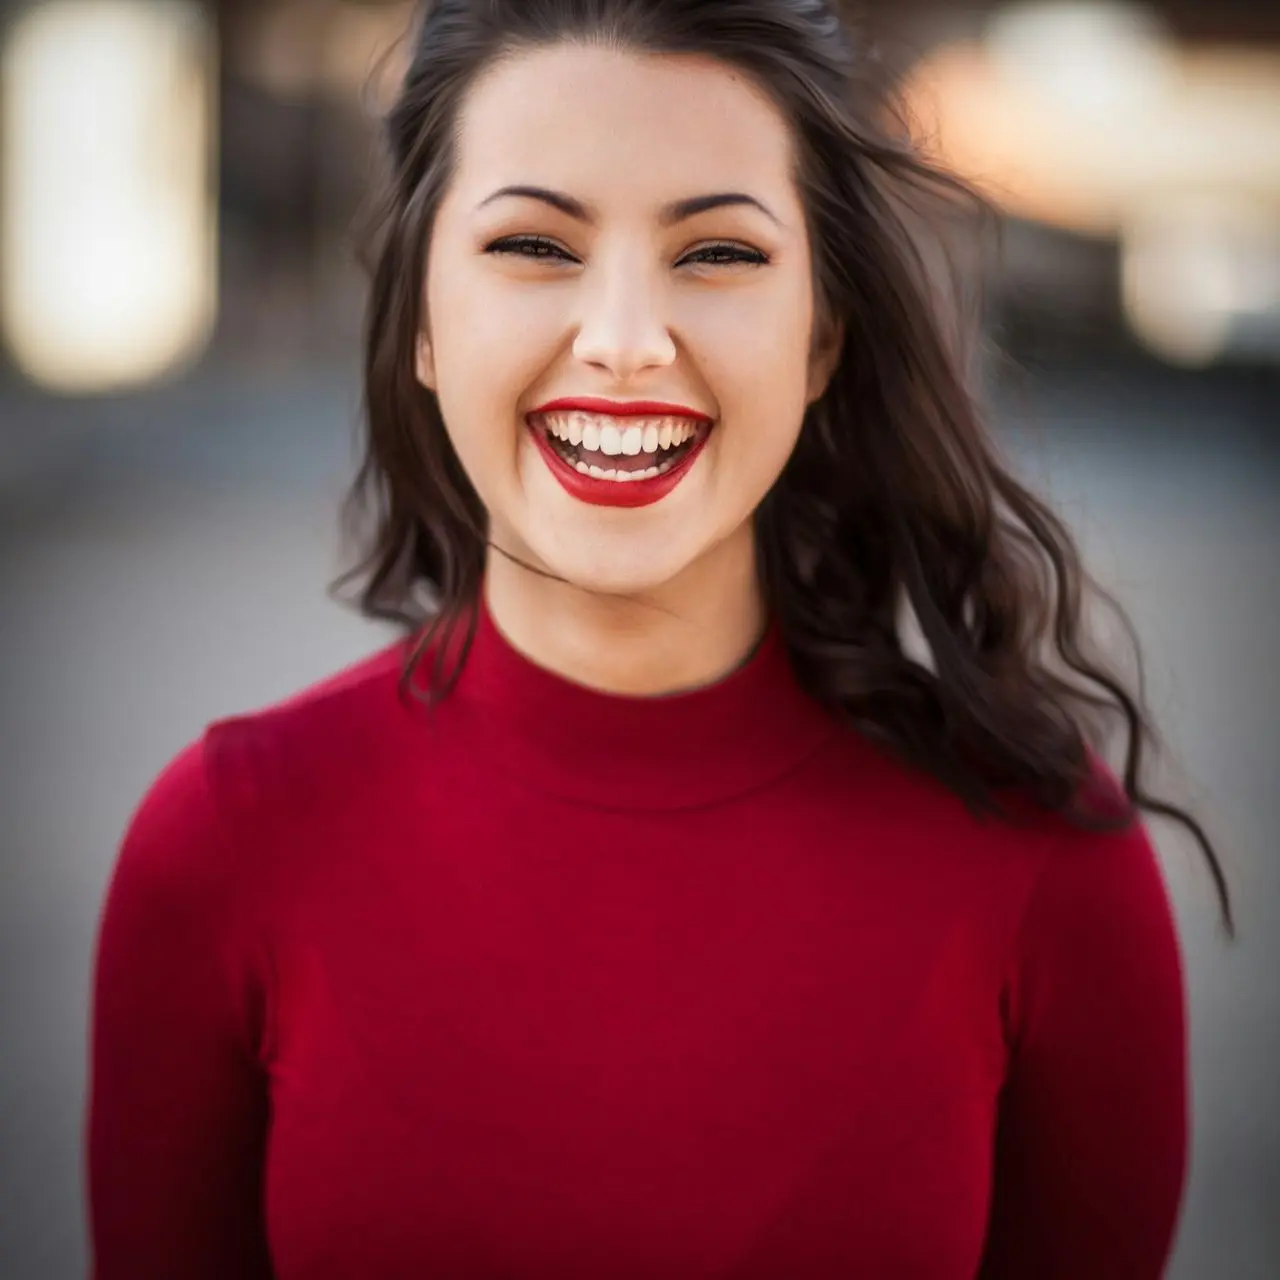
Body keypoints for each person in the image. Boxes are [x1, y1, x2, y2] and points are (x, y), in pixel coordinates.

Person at [86, 1, 1235, 1276]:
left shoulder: (1042, 857)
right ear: (418, 320)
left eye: (718, 254)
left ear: (822, 336)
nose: (625, 344)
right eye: (533, 242)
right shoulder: (222, 847)